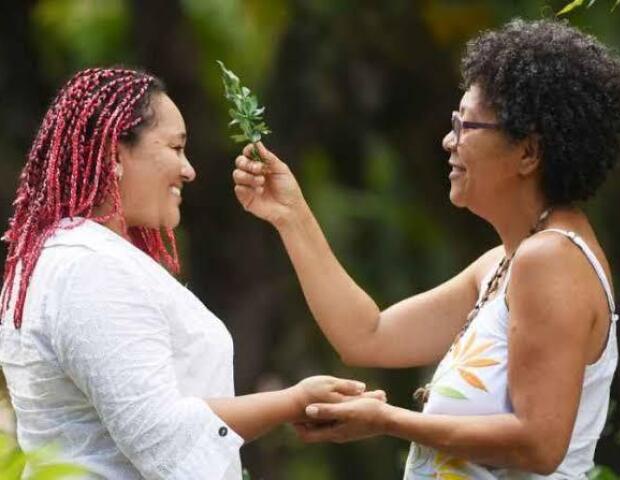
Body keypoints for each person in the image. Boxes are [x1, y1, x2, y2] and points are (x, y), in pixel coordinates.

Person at [232, 19, 620, 479]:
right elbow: (368, 334)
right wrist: (291, 214)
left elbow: (539, 443)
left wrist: (388, 421)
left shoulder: (551, 261)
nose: (449, 140)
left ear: (528, 153)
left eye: (465, 125)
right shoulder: (506, 262)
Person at [0, 67, 382, 479]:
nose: (189, 170)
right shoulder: (89, 268)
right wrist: (293, 401)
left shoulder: (77, 256)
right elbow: (161, 436)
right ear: (115, 154)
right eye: (176, 147)